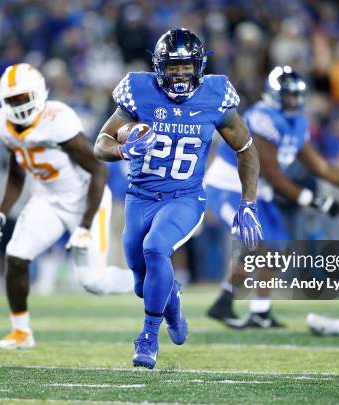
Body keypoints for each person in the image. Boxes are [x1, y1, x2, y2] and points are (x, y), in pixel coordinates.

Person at [94, 28, 262, 369]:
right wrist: (124, 150)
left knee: (156, 248)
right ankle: (172, 304)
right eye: (174, 67)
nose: (181, 74)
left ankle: (148, 337)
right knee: (143, 283)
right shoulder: (139, 91)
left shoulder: (215, 95)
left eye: (187, 67)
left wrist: (249, 202)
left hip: (184, 197)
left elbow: (246, 149)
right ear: (159, 67)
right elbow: (100, 143)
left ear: (199, 66)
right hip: (140, 196)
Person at [205, 66, 339, 328]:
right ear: (273, 95)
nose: (292, 101)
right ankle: (228, 302)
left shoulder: (298, 123)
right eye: (287, 95)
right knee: (261, 245)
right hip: (229, 186)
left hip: (257, 192)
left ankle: (255, 311)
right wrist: (317, 201)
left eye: (295, 95)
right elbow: (274, 176)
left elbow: (320, 166)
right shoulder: (260, 118)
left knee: (277, 247)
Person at [0, 63, 126, 350]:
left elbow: (99, 172)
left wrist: (85, 226)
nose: (19, 105)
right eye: (12, 100)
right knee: (16, 255)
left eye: (23, 97)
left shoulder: (57, 120)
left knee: (93, 282)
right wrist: (1, 211)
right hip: (49, 199)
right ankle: (21, 332)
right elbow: (16, 172)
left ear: (38, 94)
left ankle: (149, 282)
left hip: (88, 199)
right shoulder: (2, 123)